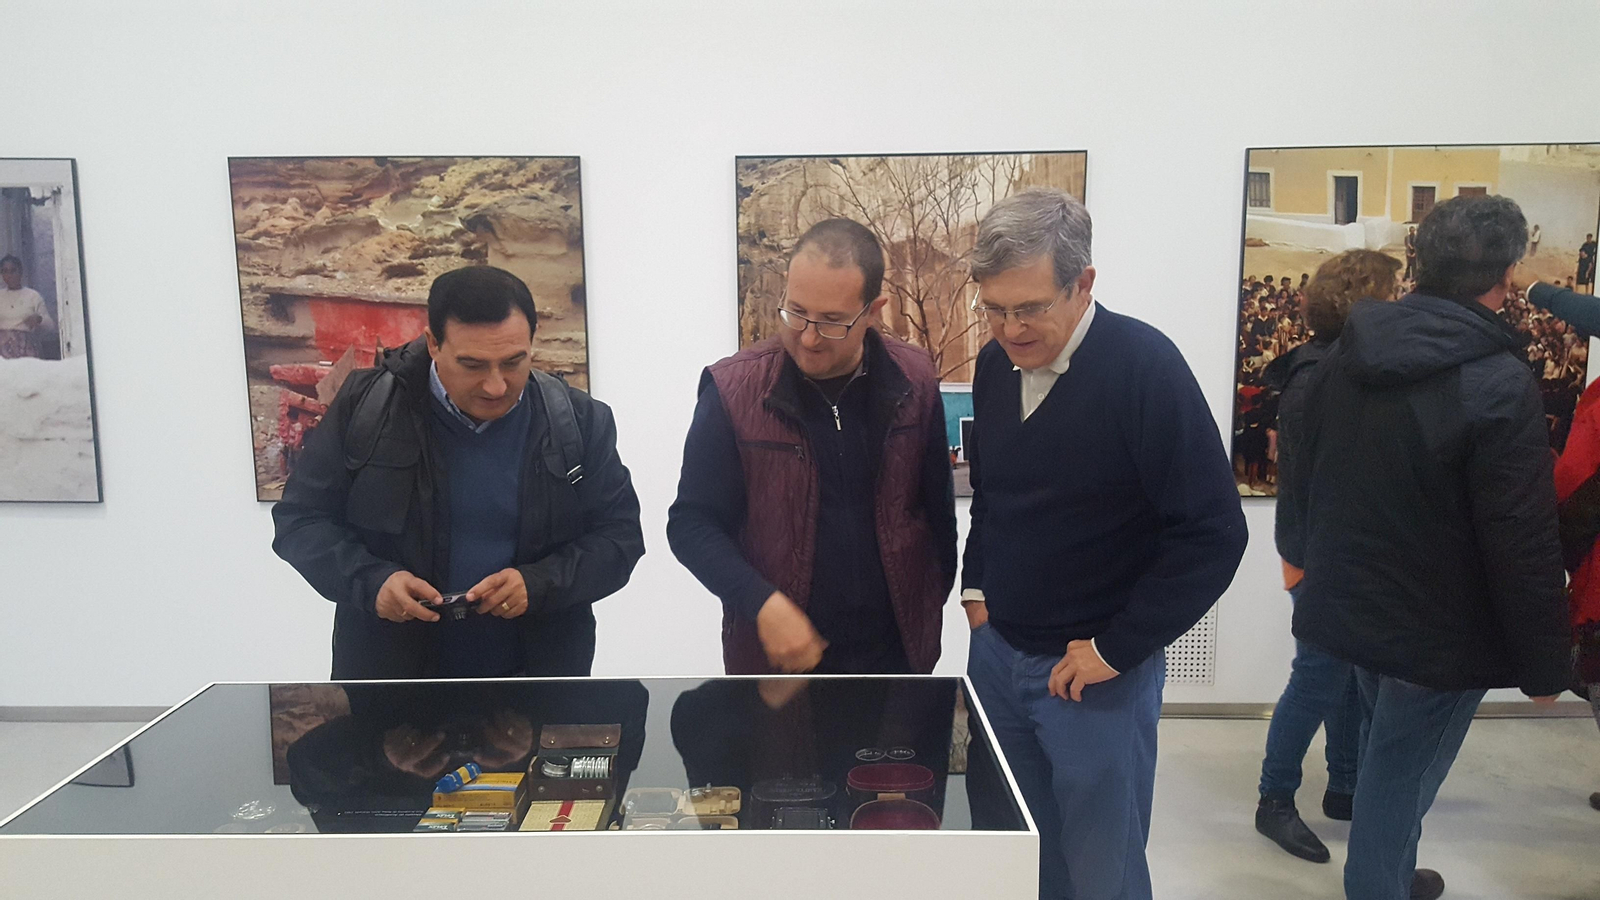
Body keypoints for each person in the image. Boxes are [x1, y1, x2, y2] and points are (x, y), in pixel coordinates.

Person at [960, 188, 1246, 900]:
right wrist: (976, 586)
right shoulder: (996, 368)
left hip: (1095, 675)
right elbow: (992, 493)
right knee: (1017, 850)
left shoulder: (1145, 369)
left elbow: (1213, 533)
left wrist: (1118, 648)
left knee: (1102, 868)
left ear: (1084, 283)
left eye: (1030, 308)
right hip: (998, 652)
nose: (1010, 329)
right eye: (994, 308)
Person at [1285, 195, 1569, 900]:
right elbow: (1521, 536)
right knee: (1397, 781)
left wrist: (1303, 561)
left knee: (1390, 764)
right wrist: (1545, 664)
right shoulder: (1499, 380)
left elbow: (1308, 464)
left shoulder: (1350, 351)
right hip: (1440, 632)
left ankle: (1390, 875)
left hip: (1357, 603)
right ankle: (1378, 885)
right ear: (1506, 274)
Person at [273, 265, 645, 680]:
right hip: (390, 681)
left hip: (542, 677)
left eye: (513, 362)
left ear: (532, 344)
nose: (496, 386)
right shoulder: (365, 407)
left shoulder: (579, 421)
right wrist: (373, 583)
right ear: (433, 343)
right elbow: (300, 522)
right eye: (472, 365)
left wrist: (539, 584)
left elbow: (620, 538)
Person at [668, 218, 957, 675]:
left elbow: (937, 512)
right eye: (795, 312)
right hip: (776, 664)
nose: (806, 337)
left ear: (874, 310)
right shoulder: (732, 389)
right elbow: (691, 524)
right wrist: (761, 603)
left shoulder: (916, 379)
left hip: (897, 657)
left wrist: (926, 607)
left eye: (832, 322)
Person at [1253, 250, 1401, 864]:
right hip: (1322, 555)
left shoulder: (1326, 367)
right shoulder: (1326, 375)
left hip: (1325, 550)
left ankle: (1344, 786)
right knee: (1317, 678)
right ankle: (1274, 802)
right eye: (1394, 292)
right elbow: (1327, 482)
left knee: (1340, 677)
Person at [0, 254, 52, 359]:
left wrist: (38, 319)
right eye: (5, 271)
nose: (9, 275)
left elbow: (50, 326)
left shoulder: (33, 296)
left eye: (13, 270)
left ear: (20, 272)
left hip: (27, 351)